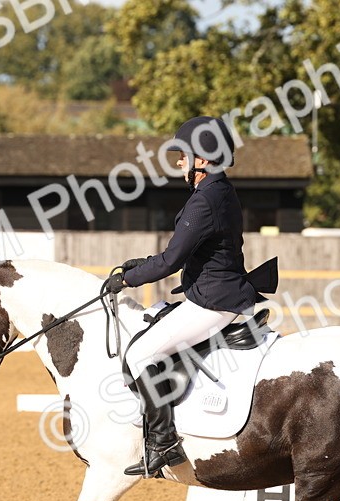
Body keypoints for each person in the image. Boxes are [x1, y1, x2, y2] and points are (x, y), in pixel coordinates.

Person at [103, 115, 260, 478]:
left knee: (140, 354)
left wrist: (127, 279)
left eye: (183, 155)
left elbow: (171, 261)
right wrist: (141, 263)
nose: (178, 162)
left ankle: (163, 442)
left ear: (202, 160)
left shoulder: (205, 200)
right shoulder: (218, 191)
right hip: (215, 292)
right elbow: (187, 251)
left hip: (212, 301)